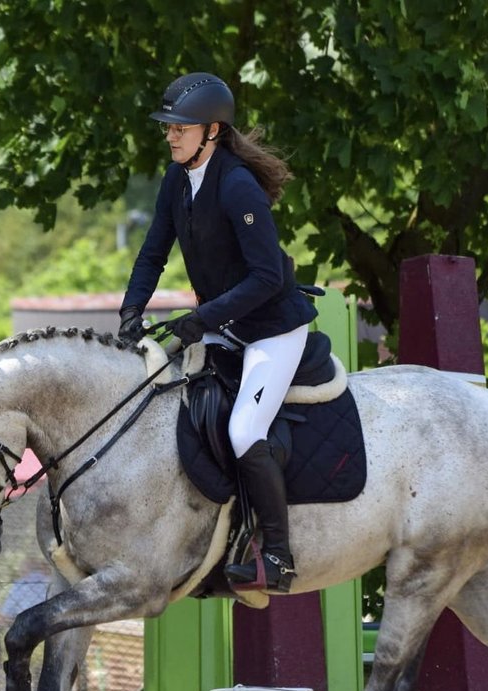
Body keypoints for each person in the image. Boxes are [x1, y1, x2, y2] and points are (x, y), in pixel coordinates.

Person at [119, 72, 317, 593]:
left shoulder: (236, 186)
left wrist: (202, 320)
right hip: (225, 326)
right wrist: (130, 313)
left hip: (271, 331)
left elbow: (267, 277)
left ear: (211, 130)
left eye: (179, 128)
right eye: (167, 127)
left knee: (244, 431)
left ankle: (277, 555)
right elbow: (152, 253)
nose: (170, 135)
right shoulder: (176, 180)